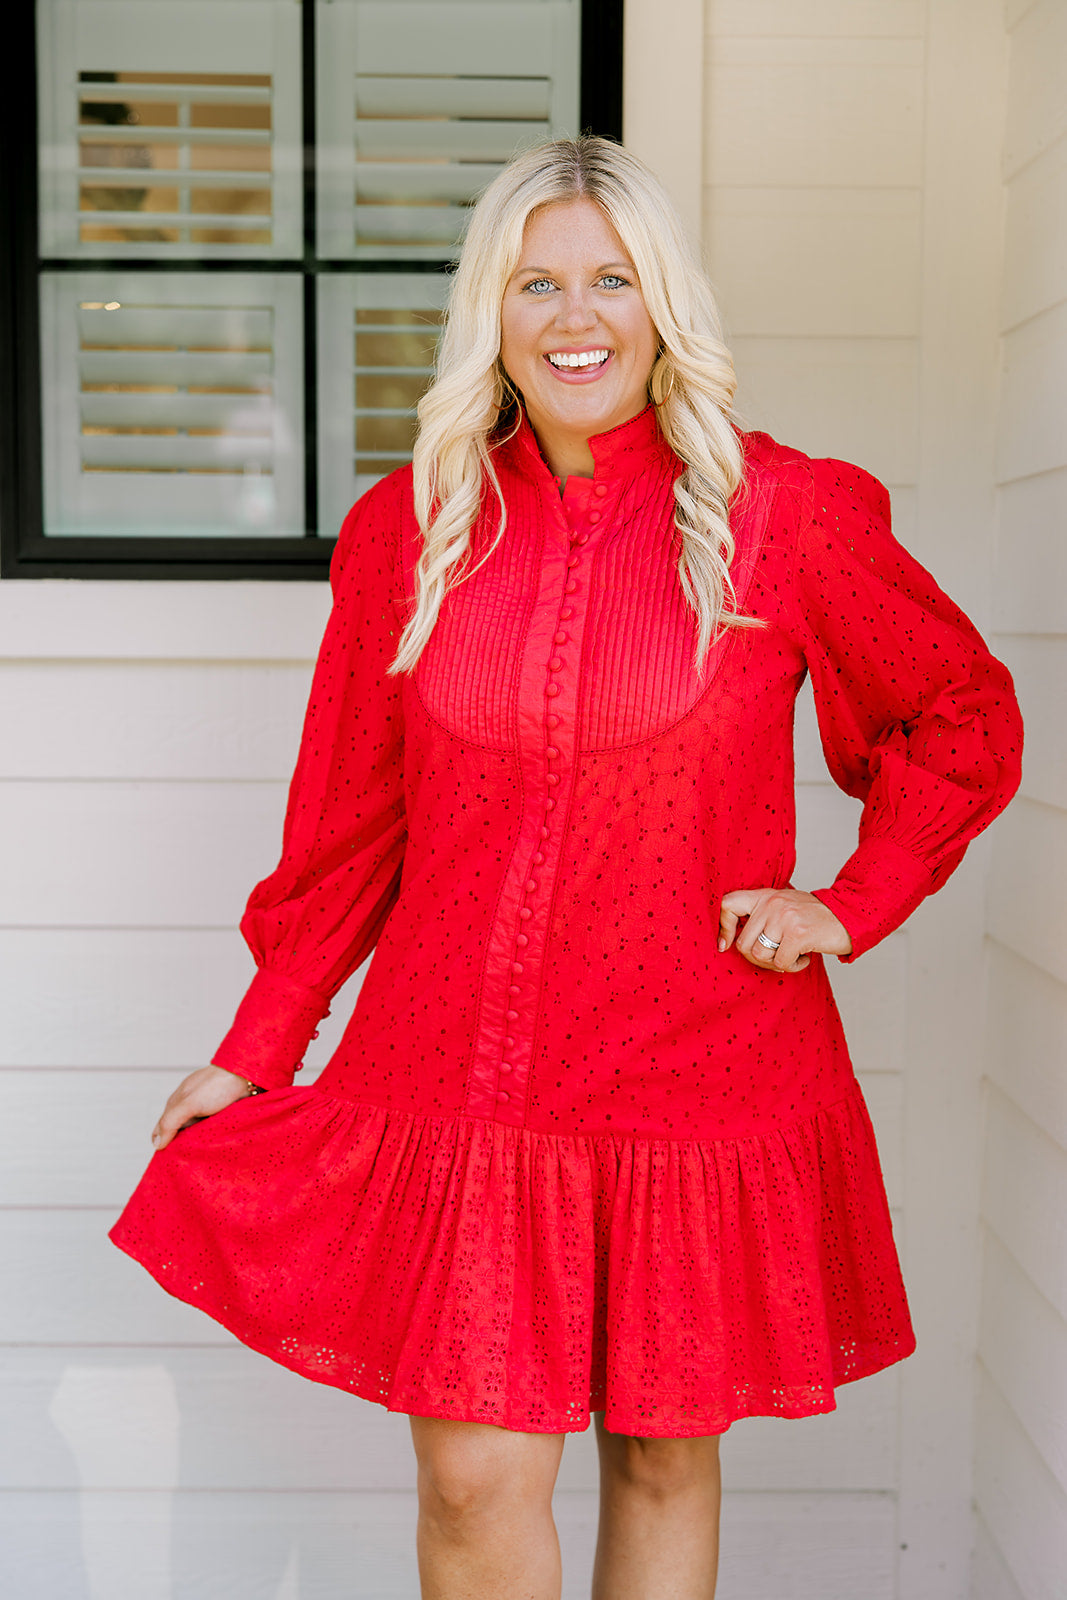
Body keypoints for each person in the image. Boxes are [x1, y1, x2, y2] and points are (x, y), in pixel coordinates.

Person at [111, 136, 1023, 1599]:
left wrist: (850, 903)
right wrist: (255, 1048)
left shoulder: (783, 517)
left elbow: (964, 710)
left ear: (664, 308)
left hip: (700, 1063)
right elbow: (350, 827)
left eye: (612, 278)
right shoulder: (411, 531)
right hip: (460, 1071)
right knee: (475, 1479)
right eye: (536, 282)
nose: (574, 314)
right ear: (492, 311)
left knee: (663, 1455)